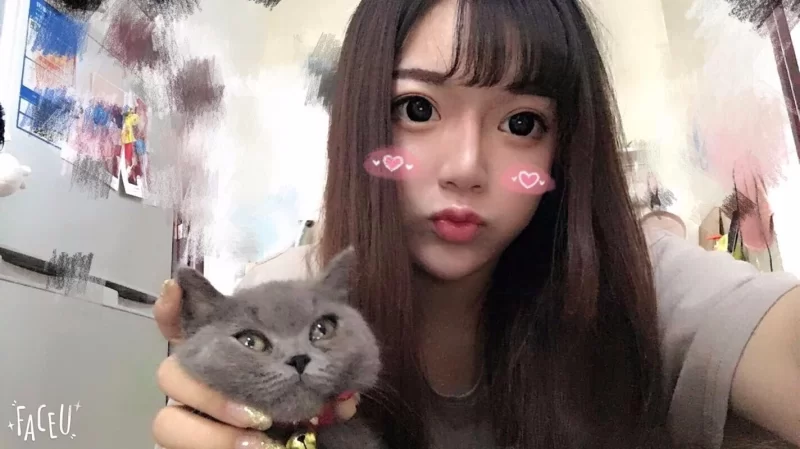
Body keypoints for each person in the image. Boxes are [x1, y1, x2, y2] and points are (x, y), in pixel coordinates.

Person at [150, 0, 800, 448]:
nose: (466, 168)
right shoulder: (286, 295)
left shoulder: (639, 283)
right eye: (417, 109)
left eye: (522, 123)